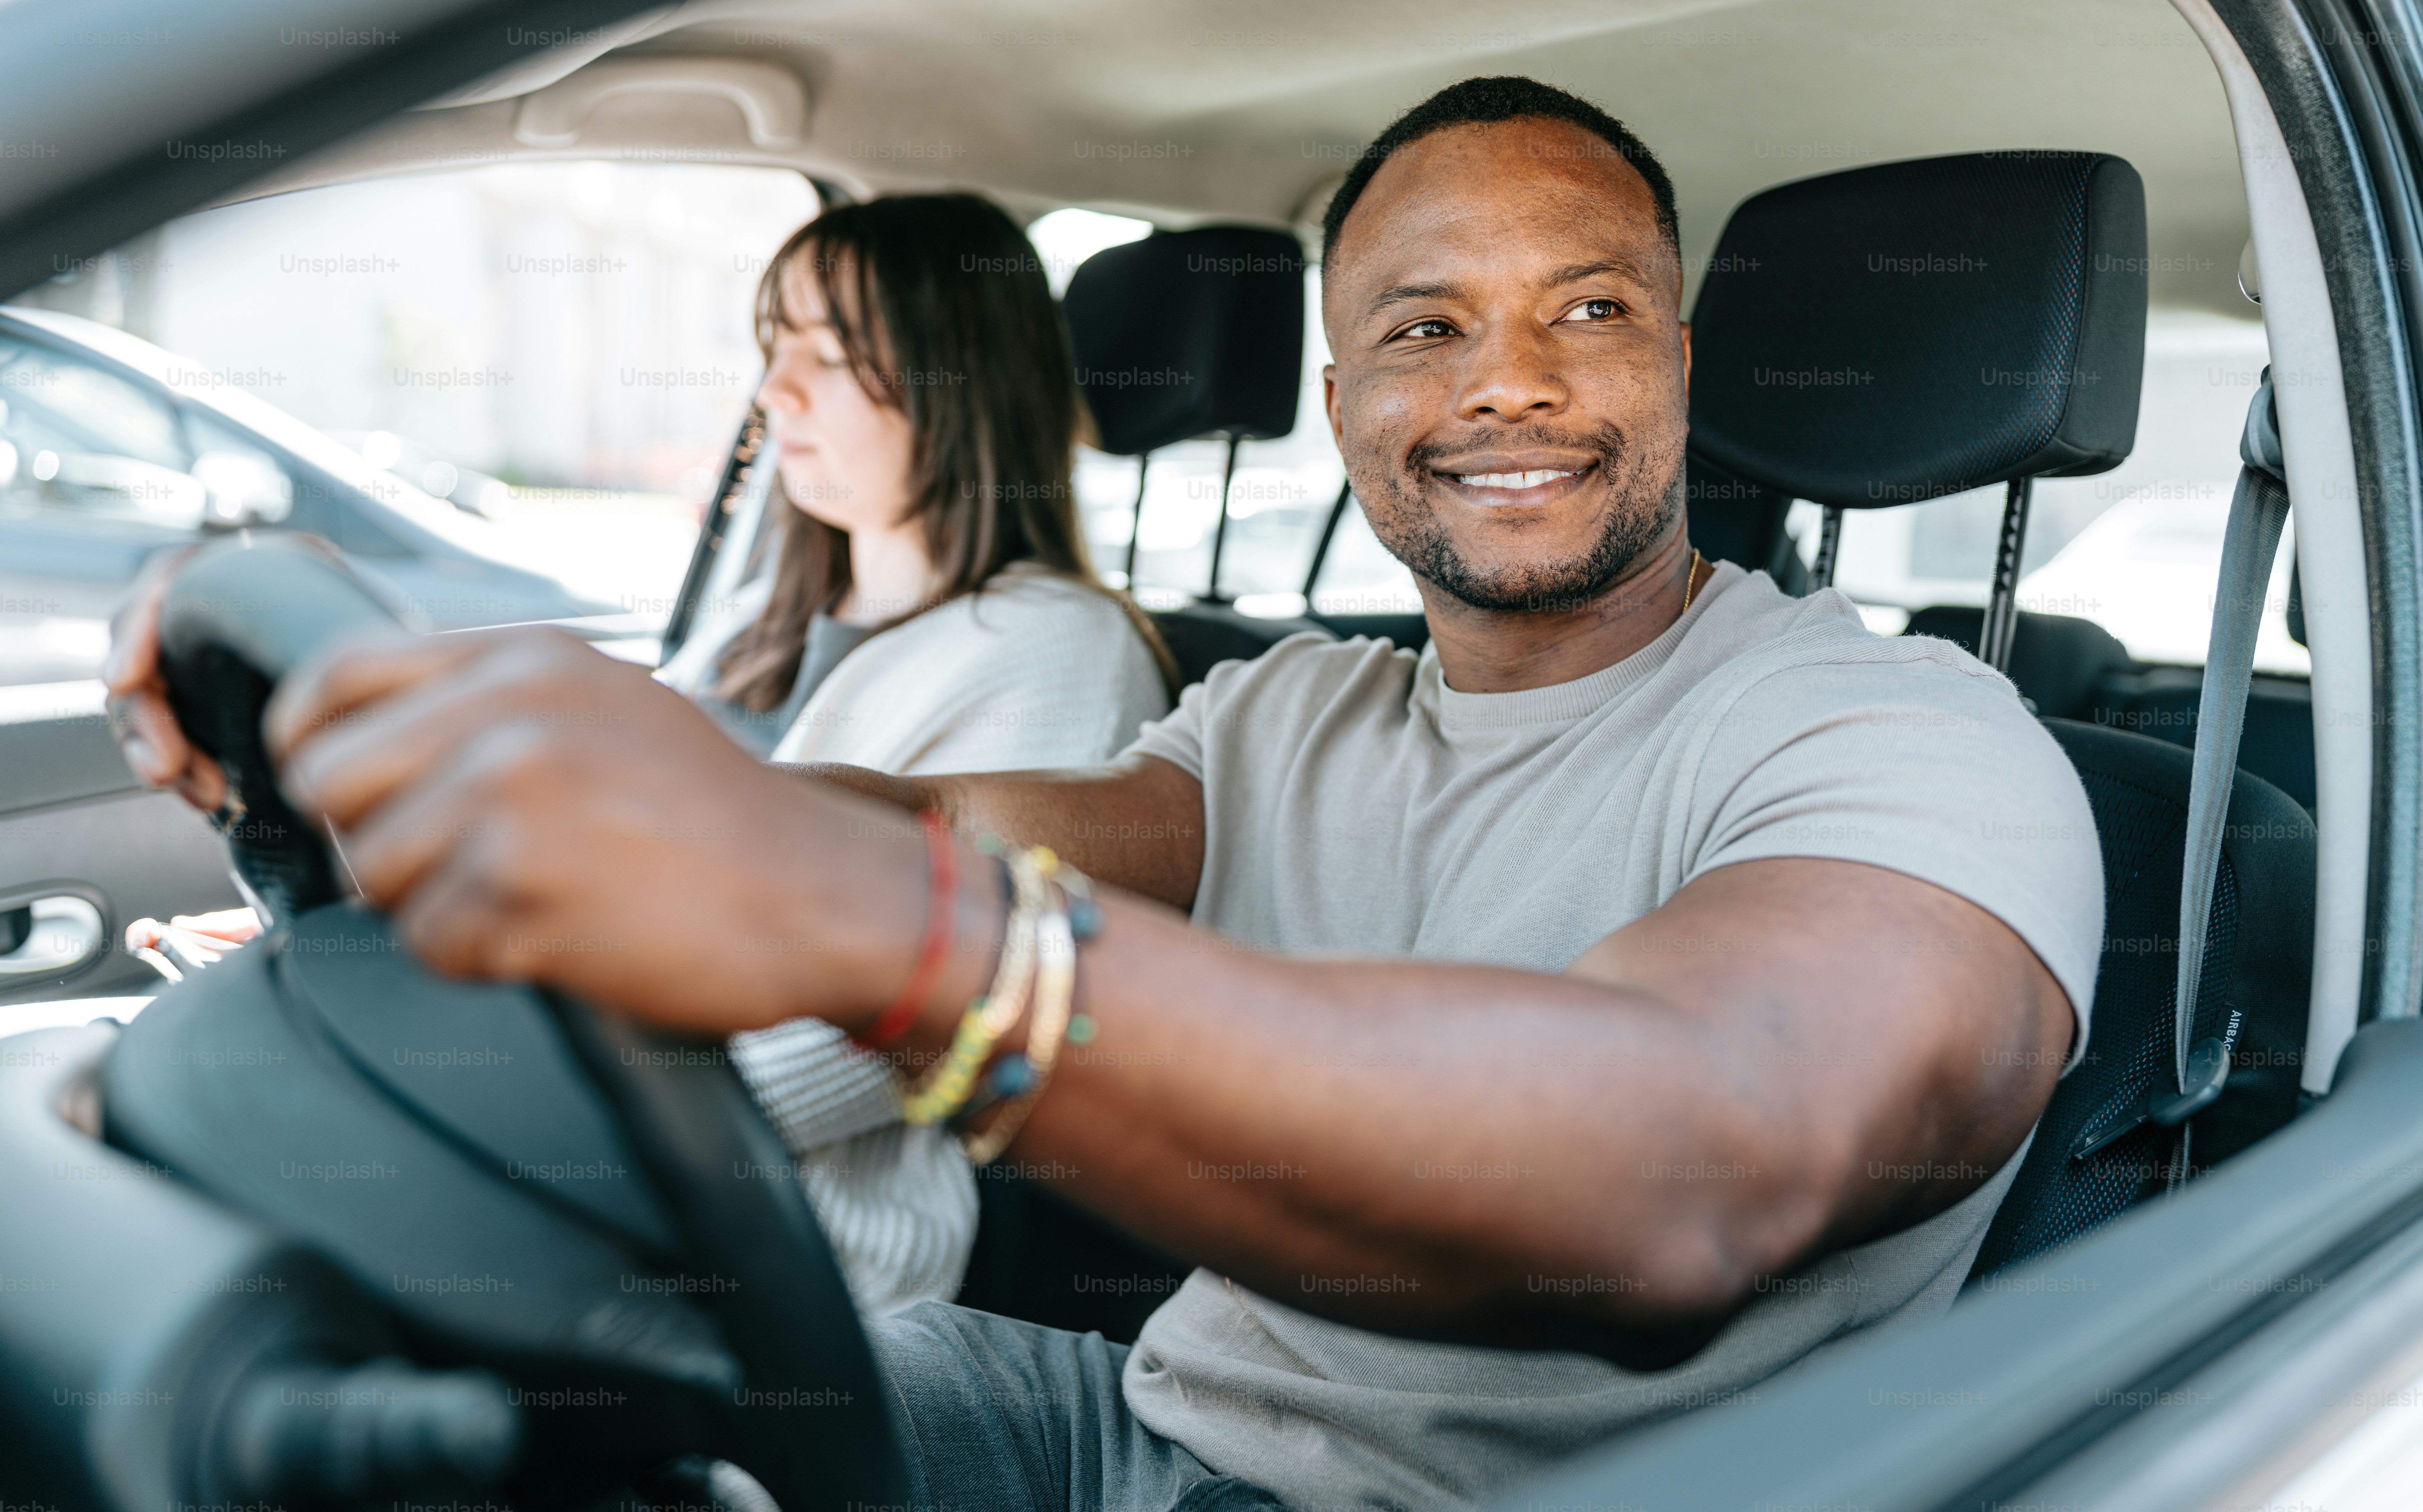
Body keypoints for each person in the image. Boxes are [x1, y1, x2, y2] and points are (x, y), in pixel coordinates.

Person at [107, 76, 2099, 1512]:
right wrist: (439, 764)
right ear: (1345, 411)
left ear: (1685, 355)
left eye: (1590, 307)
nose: (1506, 382)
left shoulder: (1907, 742)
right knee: (485, 1407)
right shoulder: (1299, 712)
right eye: (1425, 327)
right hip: (1144, 1424)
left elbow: (1691, 1165)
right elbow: (967, 830)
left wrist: (886, 937)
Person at [119, 191, 1178, 1318]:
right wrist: (368, 944)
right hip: (589, 1162)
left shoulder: (1061, 651)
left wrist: (445, 1036)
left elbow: (856, 1037)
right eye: (775, 350)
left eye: (831, 354)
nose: (775, 393)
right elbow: (597, 852)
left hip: (747, 1254)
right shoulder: (762, 627)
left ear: (961, 375)